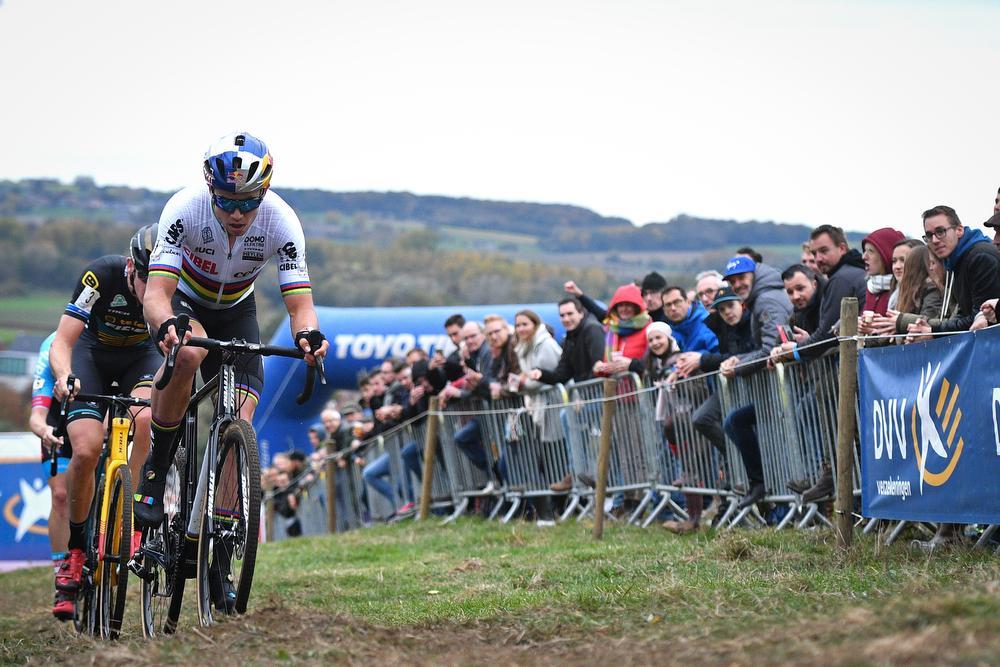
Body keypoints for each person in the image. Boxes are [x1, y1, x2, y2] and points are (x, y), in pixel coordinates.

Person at [133, 132, 329, 611]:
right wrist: (167, 325)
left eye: (248, 203)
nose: (237, 214)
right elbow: (156, 295)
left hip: (238, 308)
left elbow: (300, 305)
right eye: (226, 201)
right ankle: (157, 469)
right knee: (190, 355)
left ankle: (219, 558)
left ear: (264, 194)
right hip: (186, 302)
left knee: (239, 423)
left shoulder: (283, 222)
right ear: (210, 190)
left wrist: (308, 336)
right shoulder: (185, 210)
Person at [48, 226, 161, 619]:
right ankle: (76, 549)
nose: (152, 289)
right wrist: (64, 378)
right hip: (91, 357)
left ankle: (126, 510)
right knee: (86, 448)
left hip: (140, 360)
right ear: (131, 267)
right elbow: (63, 341)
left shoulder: (170, 286)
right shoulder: (101, 276)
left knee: (145, 418)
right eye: (146, 278)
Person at [28, 332, 73, 619]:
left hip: (98, 416)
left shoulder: (108, 338)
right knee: (60, 496)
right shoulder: (51, 347)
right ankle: (62, 577)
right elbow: (36, 417)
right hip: (58, 423)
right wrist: (44, 430)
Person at [907, 205, 1000, 336]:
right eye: (929, 235)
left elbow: (982, 318)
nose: (934, 240)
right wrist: (930, 330)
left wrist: (933, 332)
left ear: (959, 230)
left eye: (940, 232)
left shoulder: (980, 257)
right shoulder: (957, 259)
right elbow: (964, 313)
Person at [859, 227, 905, 318]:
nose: (864, 257)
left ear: (887, 256)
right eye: (864, 251)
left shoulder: (903, 290)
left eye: (870, 251)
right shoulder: (871, 287)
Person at [660, 285, 719, 355]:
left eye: (677, 302)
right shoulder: (666, 332)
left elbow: (721, 354)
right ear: (664, 310)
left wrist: (700, 358)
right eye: (668, 305)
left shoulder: (708, 322)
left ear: (688, 302)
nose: (673, 308)